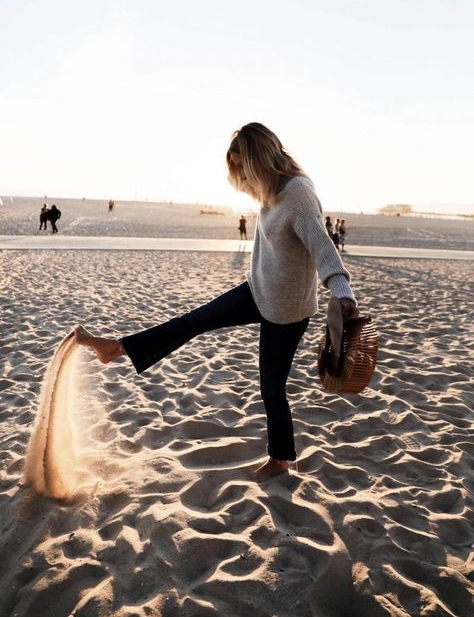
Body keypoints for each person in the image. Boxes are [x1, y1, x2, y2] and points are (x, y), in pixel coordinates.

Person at [75, 123, 359, 481]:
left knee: (271, 386)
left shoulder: (298, 194)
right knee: (194, 321)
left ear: (259, 160)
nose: (240, 176)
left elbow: (322, 246)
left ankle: (281, 460)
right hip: (258, 289)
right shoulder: (269, 190)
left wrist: (342, 290)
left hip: (287, 309)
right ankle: (117, 348)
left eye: (242, 167)